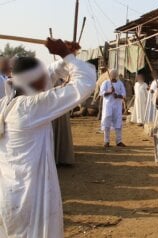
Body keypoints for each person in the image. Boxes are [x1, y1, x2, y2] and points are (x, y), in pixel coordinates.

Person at [0, 38, 96, 238]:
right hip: (30, 200)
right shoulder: (31, 108)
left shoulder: (6, 103)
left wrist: (66, 57)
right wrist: (67, 56)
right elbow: (84, 83)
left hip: (9, 196)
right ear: (35, 81)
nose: (48, 79)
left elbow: (49, 75)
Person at [100, 69, 126, 147]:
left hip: (117, 106)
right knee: (107, 122)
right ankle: (106, 141)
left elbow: (124, 94)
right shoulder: (105, 83)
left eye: (115, 74)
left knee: (118, 123)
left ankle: (119, 141)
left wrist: (117, 95)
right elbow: (101, 93)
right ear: (110, 75)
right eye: (112, 74)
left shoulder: (120, 83)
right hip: (108, 106)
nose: (114, 75)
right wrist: (109, 92)